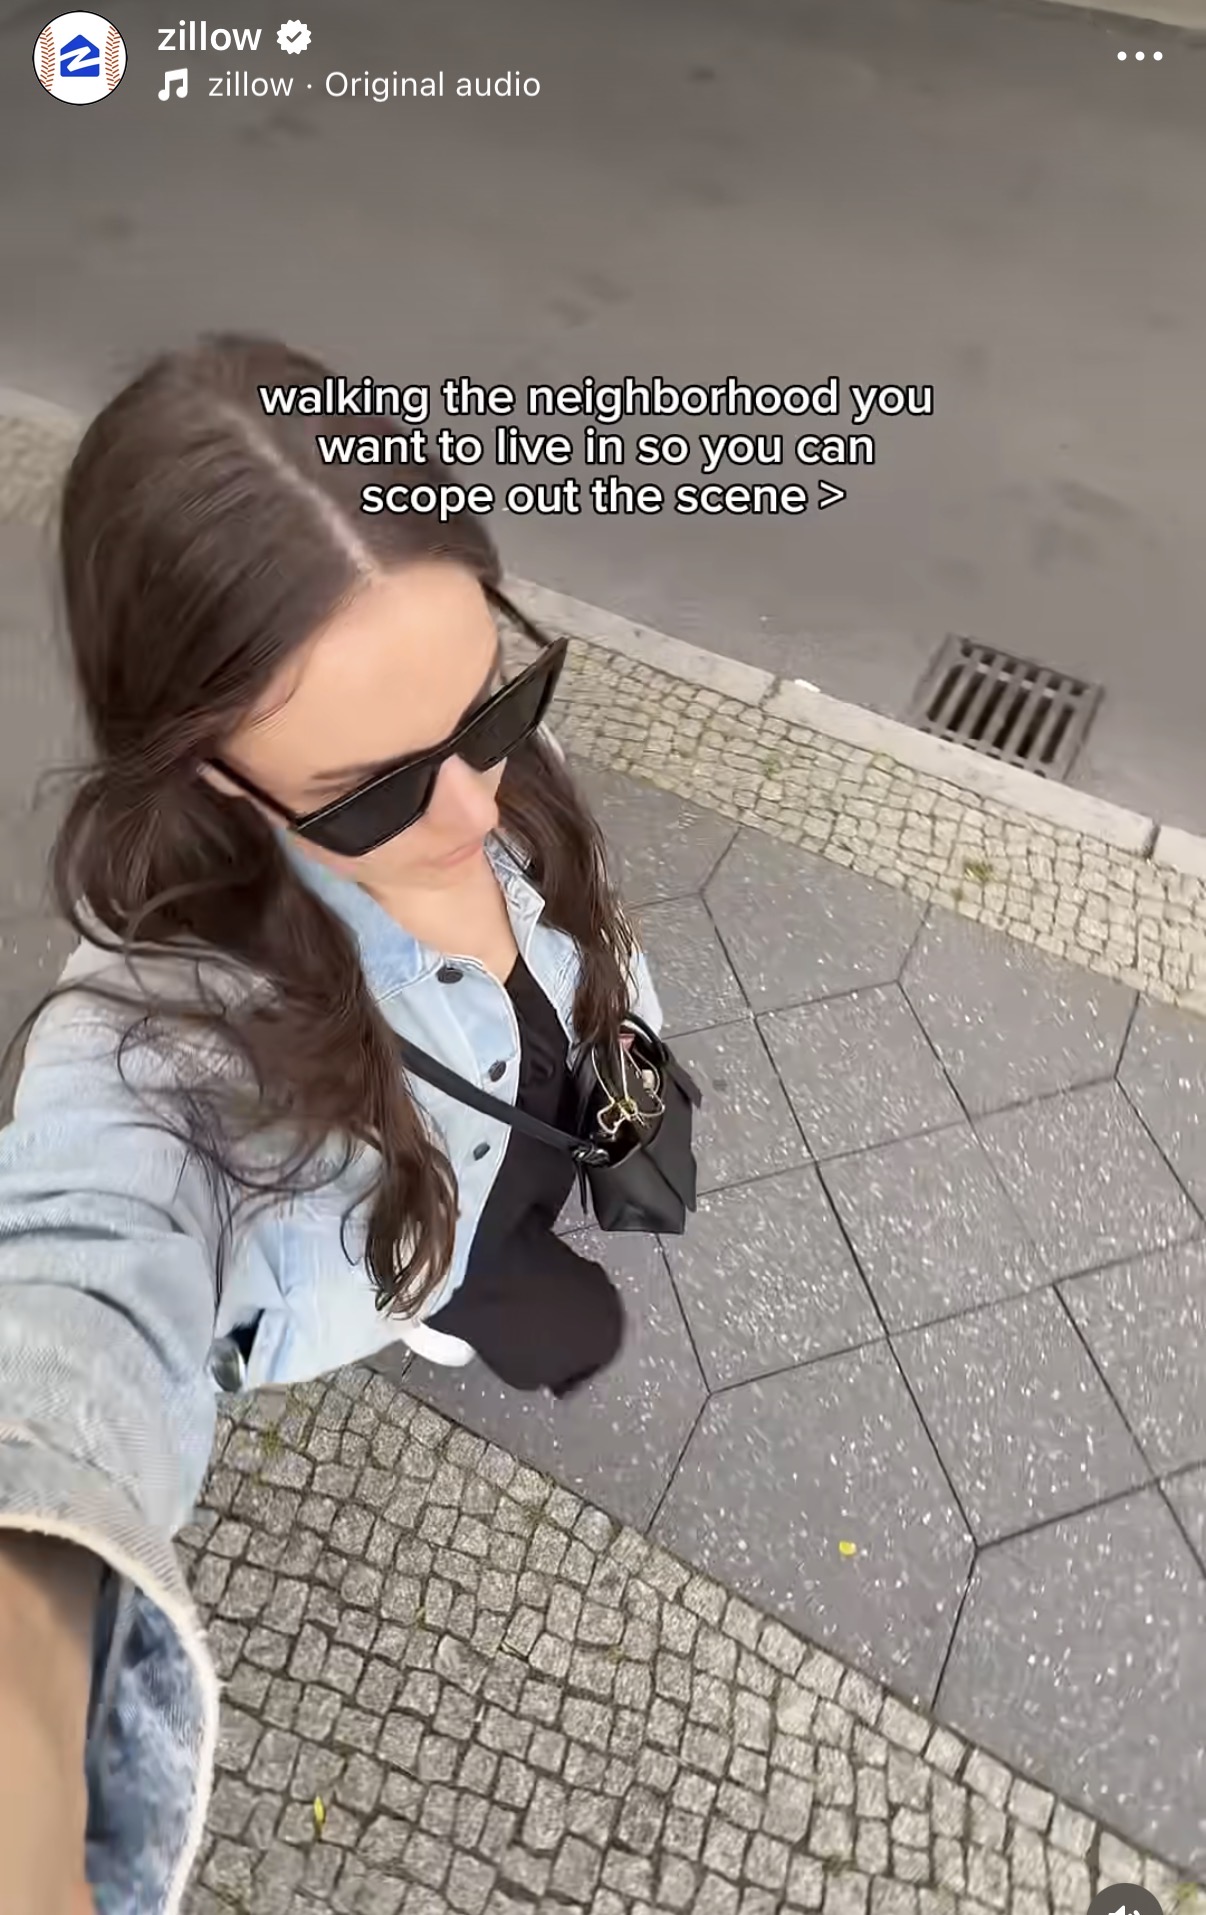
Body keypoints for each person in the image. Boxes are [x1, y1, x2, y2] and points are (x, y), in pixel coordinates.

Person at [0, 334, 663, 1914]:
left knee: (525, 1234)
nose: (475, 812)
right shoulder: (158, 1041)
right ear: (211, 776)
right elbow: (72, 1320)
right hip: (411, 1221)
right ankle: (437, 1303)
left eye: (497, 703)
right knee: (480, 1287)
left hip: (541, 1110)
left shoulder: (462, 765)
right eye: (367, 794)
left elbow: (504, 830)